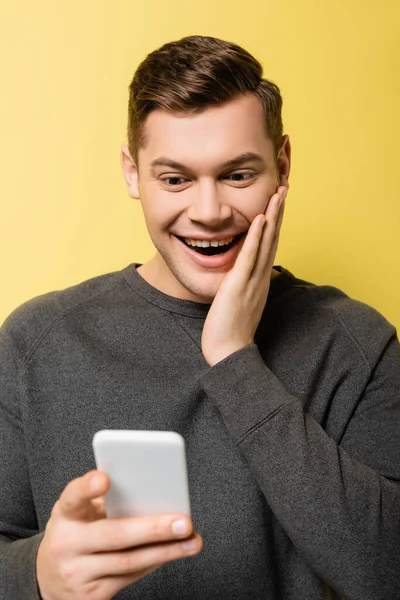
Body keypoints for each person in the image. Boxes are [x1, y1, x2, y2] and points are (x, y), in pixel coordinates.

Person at [0, 34, 399, 600]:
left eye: (238, 175)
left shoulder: (357, 344)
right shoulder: (35, 343)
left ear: (282, 166)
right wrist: (36, 576)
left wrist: (236, 360)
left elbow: (389, 572)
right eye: (175, 179)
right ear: (133, 173)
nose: (208, 213)